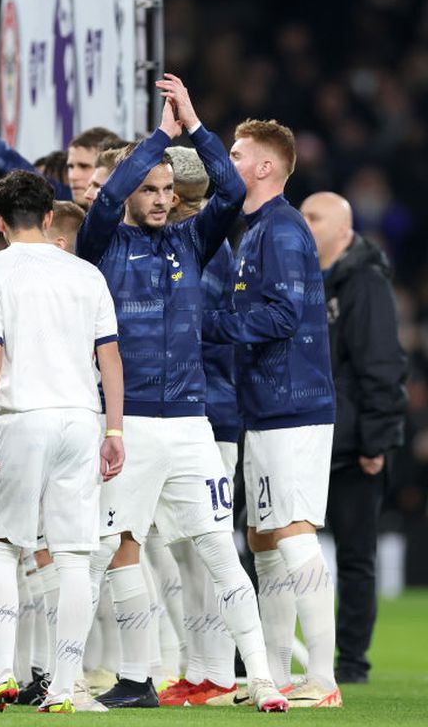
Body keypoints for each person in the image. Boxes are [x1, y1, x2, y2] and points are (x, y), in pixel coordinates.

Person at [75, 74, 288, 713]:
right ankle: (133, 677)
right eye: (151, 188)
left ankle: (263, 680)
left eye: (169, 188)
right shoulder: (103, 242)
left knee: (218, 550)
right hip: (130, 424)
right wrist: (155, 139)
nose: (163, 199)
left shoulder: (192, 242)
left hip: (193, 425)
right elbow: (106, 199)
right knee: (111, 550)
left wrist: (193, 125)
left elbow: (227, 187)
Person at [0, 170, 125, 714]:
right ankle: (63, 686)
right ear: (51, 216)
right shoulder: (86, 274)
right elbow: (110, 358)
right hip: (82, 418)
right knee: (75, 556)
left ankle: (2, 673)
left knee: (4, 547)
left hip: (22, 417)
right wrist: (114, 429)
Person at [203, 121, 341, 708]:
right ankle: (280, 675)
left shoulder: (282, 229)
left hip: (293, 403)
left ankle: (325, 681)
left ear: (264, 168)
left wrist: (209, 329)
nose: (226, 163)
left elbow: (283, 316)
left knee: (291, 531)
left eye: (235, 155)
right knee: (263, 539)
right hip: (266, 403)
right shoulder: (258, 228)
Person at [302, 192, 408, 685]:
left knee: (355, 556)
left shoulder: (364, 282)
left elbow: (382, 365)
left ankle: (351, 662)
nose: (302, 222)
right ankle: (260, 652)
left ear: (343, 230)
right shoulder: (301, 276)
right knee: (269, 546)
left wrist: (376, 442)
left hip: (349, 449)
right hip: (302, 437)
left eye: (313, 216)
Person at [156, 146, 241, 706]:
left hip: (211, 414)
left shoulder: (205, 248)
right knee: (187, 553)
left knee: (207, 553)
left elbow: (192, 324)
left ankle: (219, 675)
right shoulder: (187, 244)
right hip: (193, 411)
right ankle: (199, 667)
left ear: (180, 197)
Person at [0, 68, 120, 206]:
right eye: (71, 167)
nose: (73, 176)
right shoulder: (65, 201)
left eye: (84, 167)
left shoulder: (134, 218)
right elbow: (10, 162)